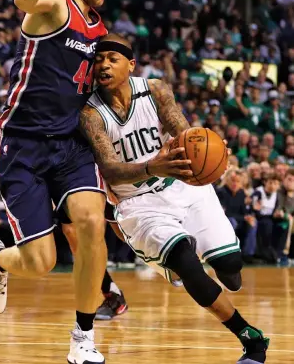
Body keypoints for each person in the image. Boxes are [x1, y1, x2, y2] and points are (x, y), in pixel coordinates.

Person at [79, 34, 269, 364]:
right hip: (140, 204)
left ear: (131, 65)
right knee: (186, 260)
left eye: (112, 58)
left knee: (231, 270)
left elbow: (183, 131)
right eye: (98, 60)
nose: (104, 65)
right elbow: (109, 169)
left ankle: (197, 258)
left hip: (184, 186)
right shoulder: (91, 114)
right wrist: (153, 165)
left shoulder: (155, 90)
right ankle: (250, 338)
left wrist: (203, 146)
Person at [0, 0, 119, 364]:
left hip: (71, 145)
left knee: (92, 224)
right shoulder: (55, 2)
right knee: (41, 261)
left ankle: (83, 337)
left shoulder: (98, 27)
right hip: (24, 144)